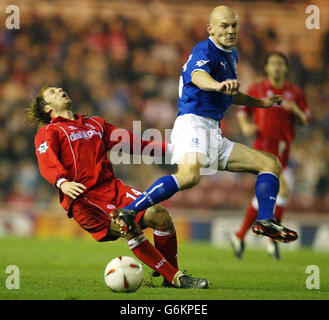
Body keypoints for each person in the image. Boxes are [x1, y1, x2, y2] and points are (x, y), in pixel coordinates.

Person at [113, 6, 298, 244]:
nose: (230, 31)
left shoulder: (231, 55)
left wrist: (260, 103)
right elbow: (198, 76)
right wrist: (217, 85)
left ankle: (265, 220)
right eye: (224, 26)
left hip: (213, 131)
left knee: (269, 163)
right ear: (211, 29)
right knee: (189, 176)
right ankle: (129, 211)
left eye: (234, 25)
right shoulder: (204, 49)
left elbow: (231, 93)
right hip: (193, 123)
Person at [26, 85, 209, 289]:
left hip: (113, 189)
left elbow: (133, 143)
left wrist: (174, 151)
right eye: (52, 92)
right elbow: (46, 161)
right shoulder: (49, 131)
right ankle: (178, 279)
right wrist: (62, 182)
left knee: (161, 216)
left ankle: (170, 278)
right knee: (127, 225)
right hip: (85, 199)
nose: (59, 90)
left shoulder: (95, 124)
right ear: (47, 108)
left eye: (58, 88)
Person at [230, 52, 310, 259]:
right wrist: (246, 126)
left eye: (280, 64)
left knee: (265, 197)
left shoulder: (294, 92)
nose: (276, 67)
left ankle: (239, 236)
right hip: (263, 148)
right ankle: (272, 239)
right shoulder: (257, 88)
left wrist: (295, 110)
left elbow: (304, 120)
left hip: (284, 149)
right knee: (283, 190)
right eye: (273, 63)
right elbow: (242, 111)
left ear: (285, 68)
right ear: (266, 67)